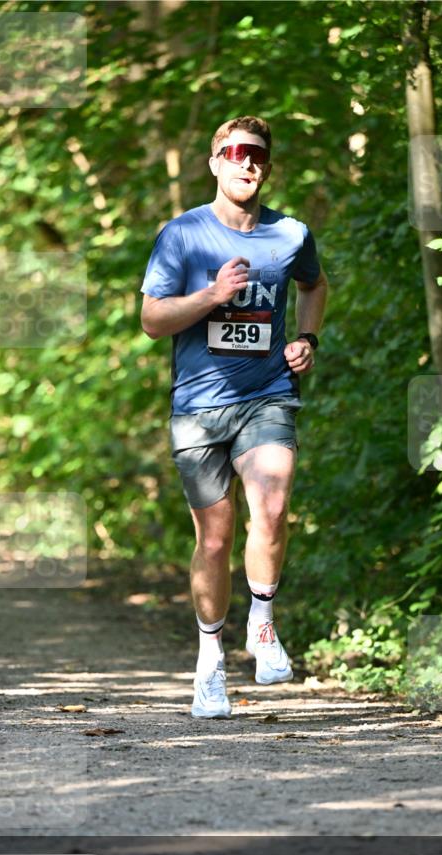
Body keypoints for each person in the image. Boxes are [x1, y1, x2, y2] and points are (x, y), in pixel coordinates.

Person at [140, 115, 328, 719]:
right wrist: (211, 298)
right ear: (215, 161)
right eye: (236, 152)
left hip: (267, 394)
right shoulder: (183, 236)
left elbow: (315, 286)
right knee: (215, 539)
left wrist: (306, 338)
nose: (247, 162)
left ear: (265, 169)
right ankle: (210, 664)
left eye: (258, 156)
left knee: (272, 501)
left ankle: (264, 623)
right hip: (197, 409)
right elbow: (152, 320)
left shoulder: (290, 234)